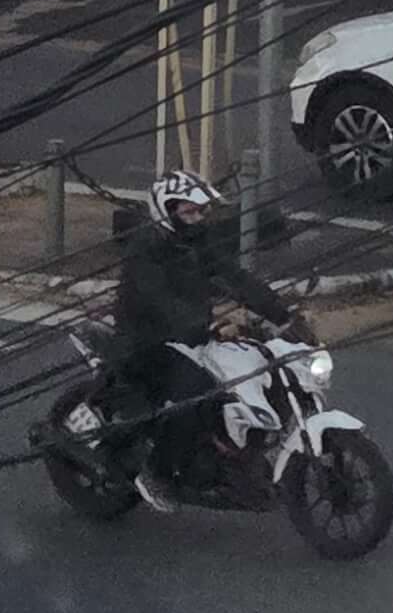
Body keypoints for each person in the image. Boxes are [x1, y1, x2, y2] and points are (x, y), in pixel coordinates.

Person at [104, 170, 301, 509]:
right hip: (144, 343)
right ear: (166, 210)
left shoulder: (197, 241)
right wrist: (206, 324)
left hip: (191, 337)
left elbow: (235, 277)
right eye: (189, 211)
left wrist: (283, 316)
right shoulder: (145, 248)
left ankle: (233, 451)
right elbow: (161, 302)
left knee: (251, 371)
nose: (197, 218)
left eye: (200, 211)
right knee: (196, 392)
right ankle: (158, 472)